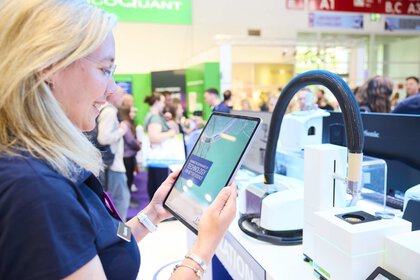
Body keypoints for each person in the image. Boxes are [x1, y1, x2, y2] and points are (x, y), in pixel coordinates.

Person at [0, 1, 237, 279]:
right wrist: (203, 250)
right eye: (104, 69)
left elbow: (101, 245)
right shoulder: (38, 190)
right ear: (50, 67)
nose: (112, 89)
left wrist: (152, 213)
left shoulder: (43, 161)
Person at [97, 86, 131, 221]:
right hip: (113, 165)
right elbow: (103, 137)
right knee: (121, 199)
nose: (122, 98)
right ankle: (119, 232)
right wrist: (122, 130)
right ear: (112, 95)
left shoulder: (107, 110)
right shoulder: (109, 111)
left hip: (111, 163)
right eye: (121, 95)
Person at [143, 92, 177, 199]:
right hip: (160, 161)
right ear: (157, 102)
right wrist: (170, 133)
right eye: (162, 102)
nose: (164, 104)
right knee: (159, 189)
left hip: (155, 160)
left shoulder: (151, 116)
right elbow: (154, 138)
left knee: (153, 185)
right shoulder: (155, 118)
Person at [118, 105, 141, 192]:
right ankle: (128, 200)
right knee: (128, 177)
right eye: (132, 111)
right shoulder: (125, 123)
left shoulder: (127, 123)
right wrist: (138, 145)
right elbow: (130, 140)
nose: (134, 114)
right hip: (127, 155)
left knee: (130, 176)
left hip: (129, 154)